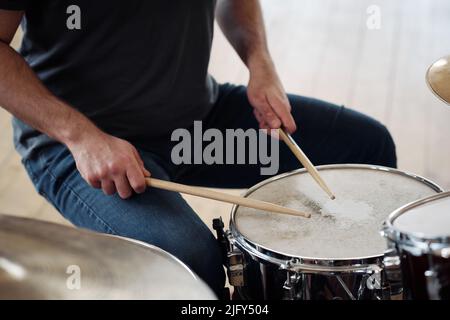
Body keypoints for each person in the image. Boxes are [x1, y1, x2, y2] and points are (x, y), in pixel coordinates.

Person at [0, 0, 396, 298]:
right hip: (80, 145)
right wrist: (80, 137)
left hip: (197, 128)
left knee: (368, 148)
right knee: (192, 260)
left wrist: (260, 62)